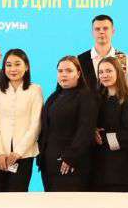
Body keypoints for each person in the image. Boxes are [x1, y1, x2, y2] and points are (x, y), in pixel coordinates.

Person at [0, 48, 42, 192]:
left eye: (17, 64)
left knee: (18, 196)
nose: (12, 69)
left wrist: (18, 152)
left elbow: (35, 124)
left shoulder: (35, 90)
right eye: (8, 65)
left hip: (23, 155)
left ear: (26, 67)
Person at [39, 56, 97, 191]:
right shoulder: (54, 97)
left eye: (69, 71)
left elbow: (85, 130)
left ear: (78, 73)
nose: (63, 74)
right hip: (49, 164)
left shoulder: (86, 96)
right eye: (60, 71)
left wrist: (71, 157)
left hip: (71, 165)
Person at [91, 56, 128, 191]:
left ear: (118, 72)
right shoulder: (97, 99)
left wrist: (102, 138)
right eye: (101, 72)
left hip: (122, 171)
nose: (104, 75)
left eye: (109, 71)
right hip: (99, 169)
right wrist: (93, 131)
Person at [77, 14, 128, 95]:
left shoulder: (124, 59)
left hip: (119, 103)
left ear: (113, 31)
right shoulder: (80, 60)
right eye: (97, 29)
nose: (101, 32)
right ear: (92, 33)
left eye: (105, 28)